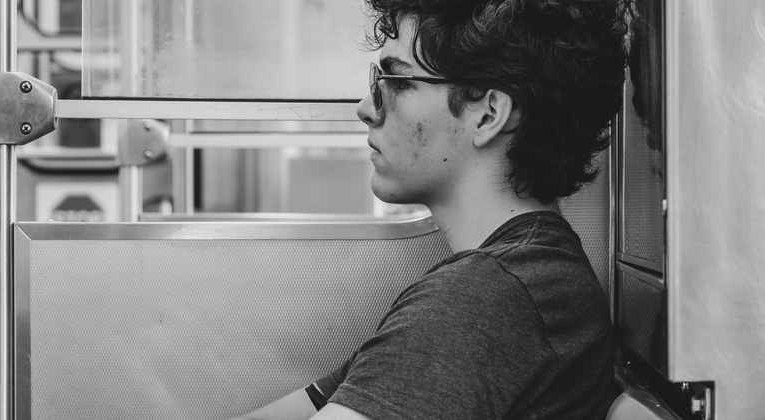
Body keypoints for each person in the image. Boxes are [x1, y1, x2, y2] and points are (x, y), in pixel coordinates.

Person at [232, 0, 627, 418]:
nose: (366, 108)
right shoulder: (521, 276)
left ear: (488, 114)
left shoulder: (485, 298)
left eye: (397, 82)